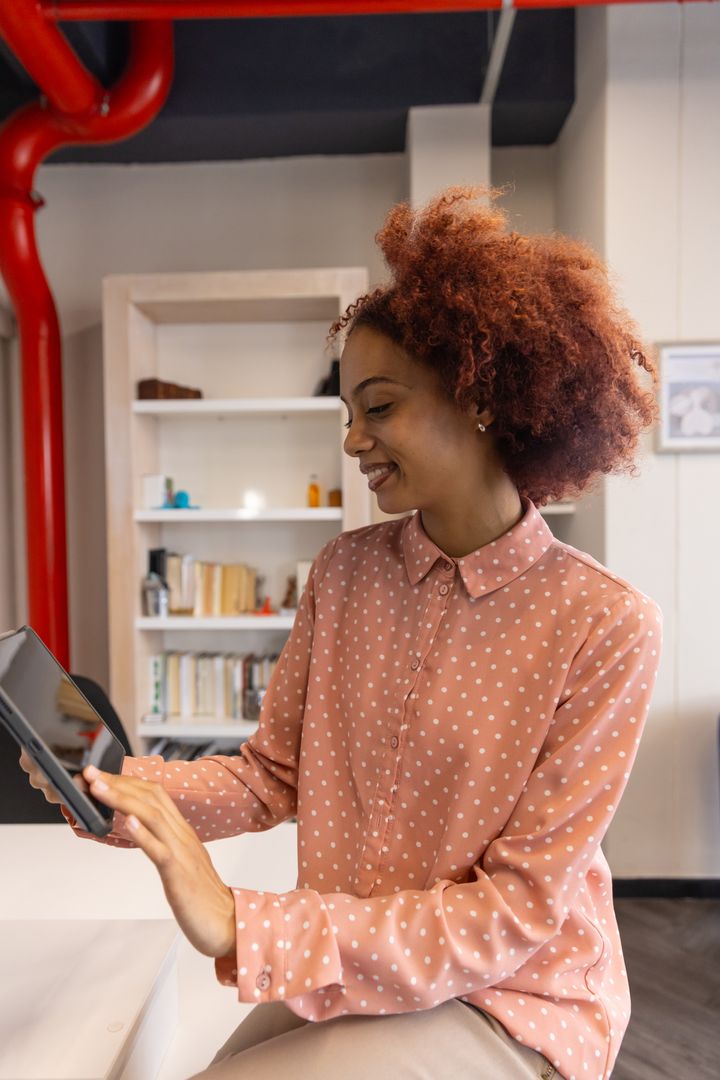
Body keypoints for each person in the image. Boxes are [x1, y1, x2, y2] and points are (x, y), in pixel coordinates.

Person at [21, 187, 663, 1080]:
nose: (355, 438)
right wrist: (117, 786)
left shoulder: (604, 625)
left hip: (515, 999)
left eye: (381, 406)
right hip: (358, 963)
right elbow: (269, 776)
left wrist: (243, 921)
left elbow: (514, 911)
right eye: (348, 411)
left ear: (479, 396)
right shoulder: (345, 574)